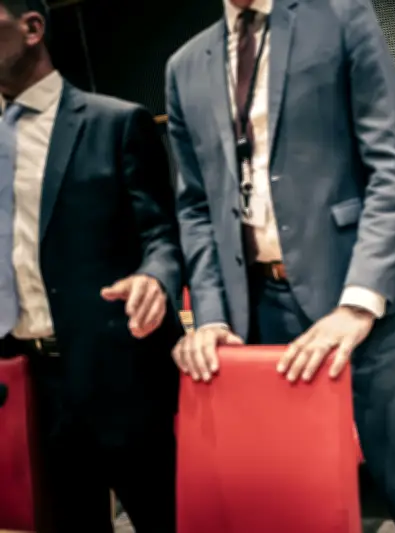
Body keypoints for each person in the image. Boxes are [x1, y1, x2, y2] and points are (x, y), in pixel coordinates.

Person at [166, 0, 395, 531]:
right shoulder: (184, 65)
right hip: (255, 310)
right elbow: (194, 207)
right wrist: (210, 314)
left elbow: (387, 168)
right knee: (289, 493)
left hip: (357, 299)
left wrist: (359, 301)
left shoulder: (343, 17)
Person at [0, 1, 183, 531]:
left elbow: (164, 235)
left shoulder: (115, 122)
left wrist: (155, 277)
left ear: (33, 27)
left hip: (121, 374)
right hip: (31, 384)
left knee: (163, 519)